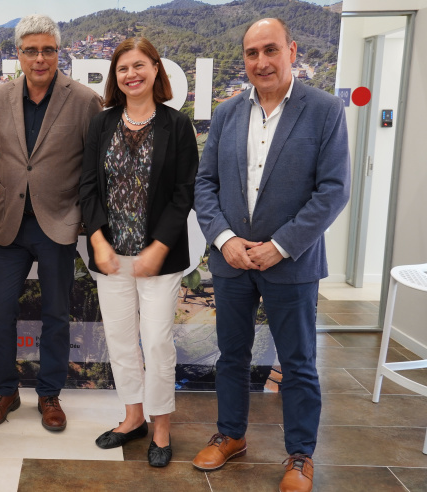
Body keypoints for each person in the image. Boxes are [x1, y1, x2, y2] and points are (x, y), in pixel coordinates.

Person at [193, 18, 350, 492]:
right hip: (233, 261)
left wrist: (280, 246)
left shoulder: (323, 111)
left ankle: (300, 455)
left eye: (270, 50)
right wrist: (225, 239)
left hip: (293, 263)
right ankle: (231, 435)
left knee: (298, 361)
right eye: (251, 53)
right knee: (232, 356)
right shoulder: (226, 114)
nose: (260, 62)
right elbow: (205, 185)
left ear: (291, 51)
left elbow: (333, 191)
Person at [0, 14, 102, 431]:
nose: (40, 58)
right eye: (31, 50)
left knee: (55, 313)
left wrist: (84, 218)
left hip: (58, 225)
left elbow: (92, 168)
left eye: (48, 49)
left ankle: (49, 394)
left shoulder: (83, 100)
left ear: (58, 52)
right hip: (8, 226)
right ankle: (5, 391)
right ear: (18, 54)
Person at [79, 37, 198, 467]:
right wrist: (97, 239)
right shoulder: (102, 123)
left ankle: (161, 424)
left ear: (155, 69)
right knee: (122, 342)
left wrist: (158, 248)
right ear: (116, 76)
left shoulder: (176, 125)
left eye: (139, 66)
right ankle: (132, 418)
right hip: (110, 258)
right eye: (123, 68)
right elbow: (87, 188)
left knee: (158, 342)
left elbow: (184, 193)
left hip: (158, 261)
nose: (131, 74)